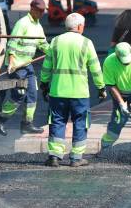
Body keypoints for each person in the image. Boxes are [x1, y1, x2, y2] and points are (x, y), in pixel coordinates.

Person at [40, 12, 105, 168]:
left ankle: (54, 156)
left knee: (57, 122)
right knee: (80, 123)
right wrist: (101, 87)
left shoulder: (55, 42)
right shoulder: (86, 43)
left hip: (58, 91)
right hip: (79, 93)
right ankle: (76, 158)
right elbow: (95, 69)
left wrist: (44, 84)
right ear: (80, 26)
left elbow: (46, 66)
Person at [0, 0, 50, 136]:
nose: (42, 13)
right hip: (17, 66)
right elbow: (12, 43)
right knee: (19, 95)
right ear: (32, 9)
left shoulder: (38, 26)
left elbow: (43, 44)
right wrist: (11, 62)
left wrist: (54, 52)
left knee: (32, 95)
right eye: (40, 11)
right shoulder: (22, 23)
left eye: (43, 11)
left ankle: (27, 124)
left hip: (27, 65)